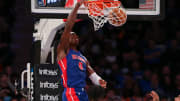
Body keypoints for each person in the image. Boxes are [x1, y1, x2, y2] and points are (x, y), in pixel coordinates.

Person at [56, 0, 107, 101]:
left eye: (75, 35)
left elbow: (91, 73)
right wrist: (77, 6)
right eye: (71, 34)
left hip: (83, 93)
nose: (74, 35)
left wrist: (99, 81)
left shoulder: (83, 58)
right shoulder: (64, 51)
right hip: (71, 92)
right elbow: (68, 26)